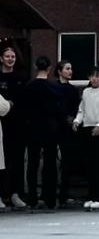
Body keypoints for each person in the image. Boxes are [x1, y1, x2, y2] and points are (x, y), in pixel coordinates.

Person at [23, 56, 63, 210]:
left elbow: (24, 109)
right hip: (50, 128)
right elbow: (59, 109)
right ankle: (50, 198)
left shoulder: (29, 87)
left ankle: (32, 198)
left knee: (32, 163)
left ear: (35, 67)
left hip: (33, 128)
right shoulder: (54, 87)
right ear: (49, 68)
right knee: (50, 163)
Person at [73, 66, 99, 210]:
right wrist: (77, 121)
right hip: (87, 129)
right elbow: (81, 110)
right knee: (90, 165)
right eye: (92, 76)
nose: (94, 79)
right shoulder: (86, 92)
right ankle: (92, 196)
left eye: (97, 76)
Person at [0, 41, 27, 208]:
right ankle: (2, 194)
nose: (10, 59)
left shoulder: (20, 78)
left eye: (13, 56)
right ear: (1, 59)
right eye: (7, 56)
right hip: (1, 124)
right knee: (2, 160)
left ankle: (15, 193)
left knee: (17, 159)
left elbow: (23, 100)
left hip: (17, 124)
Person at [53, 60, 80, 207]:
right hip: (56, 127)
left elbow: (77, 107)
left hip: (68, 129)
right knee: (53, 161)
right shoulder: (54, 87)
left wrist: (73, 119)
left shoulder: (73, 89)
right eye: (67, 69)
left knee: (67, 162)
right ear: (59, 71)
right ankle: (51, 194)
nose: (70, 71)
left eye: (71, 69)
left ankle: (64, 194)